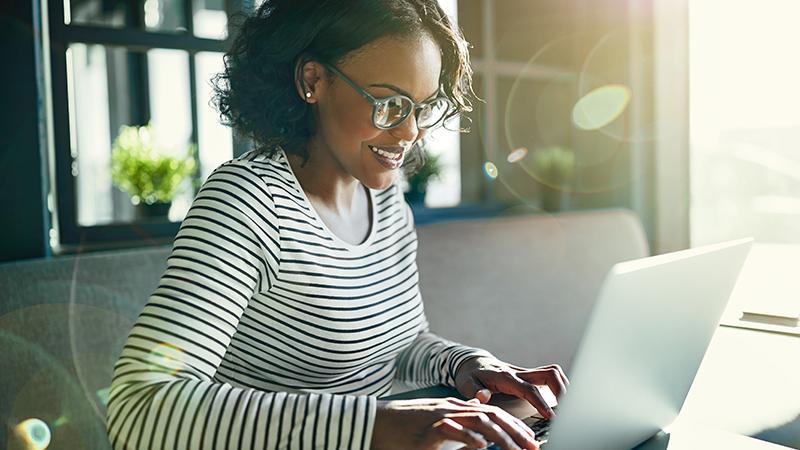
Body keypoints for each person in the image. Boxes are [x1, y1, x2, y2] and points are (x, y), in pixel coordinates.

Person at [106, 1, 569, 449]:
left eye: (423, 107)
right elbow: (140, 405)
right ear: (314, 80)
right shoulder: (248, 201)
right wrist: (376, 426)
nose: (409, 132)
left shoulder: (384, 199)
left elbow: (401, 343)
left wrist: (467, 364)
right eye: (389, 103)